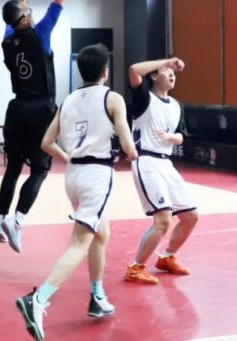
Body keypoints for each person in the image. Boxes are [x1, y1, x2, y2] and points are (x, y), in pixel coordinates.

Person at [16, 44, 138, 341]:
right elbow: (127, 145)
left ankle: (96, 295)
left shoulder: (68, 100)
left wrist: (68, 157)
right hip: (97, 175)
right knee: (80, 242)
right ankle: (38, 299)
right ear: (106, 71)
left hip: (73, 176)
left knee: (101, 233)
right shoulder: (113, 98)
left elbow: (46, 143)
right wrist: (134, 152)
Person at [0, 0, 70, 253]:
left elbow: (13, 23)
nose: (32, 13)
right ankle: (18, 220)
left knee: (13, 167)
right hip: (41, 111)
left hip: (16, 110)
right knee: (39, 169)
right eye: (28, 11)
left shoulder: (7, 40)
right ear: (24, 18)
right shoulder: (40, 34)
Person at [123, 57, 198, 285]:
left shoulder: (175, 106)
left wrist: (171, 137)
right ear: (154, 75)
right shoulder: (144, 98)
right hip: (146, 161)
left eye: (173, 71)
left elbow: (181, 136)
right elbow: (134, 70)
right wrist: (167, 61)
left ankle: (167, 257)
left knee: (190, 216)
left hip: (166, 163)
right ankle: (135, 267)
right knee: (163, 219)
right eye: (166, 71)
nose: (172, 73)